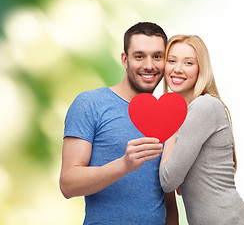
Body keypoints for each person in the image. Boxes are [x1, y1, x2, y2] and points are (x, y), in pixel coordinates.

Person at [59, 22, 178, 225]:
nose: (149, 65)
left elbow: (168, 196)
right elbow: (68, 184)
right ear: (125, 59)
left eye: (157, 56)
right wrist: (123, 165)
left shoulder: (168, 116)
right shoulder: (90, 104)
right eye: (139, 56)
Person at [159, 35, 244, 225]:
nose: (177, 69)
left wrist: (169, 126)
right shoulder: (190, 111)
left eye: (188, 63)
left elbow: (168, 181)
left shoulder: (204, 106)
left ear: (200, 69)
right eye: (171, 61)